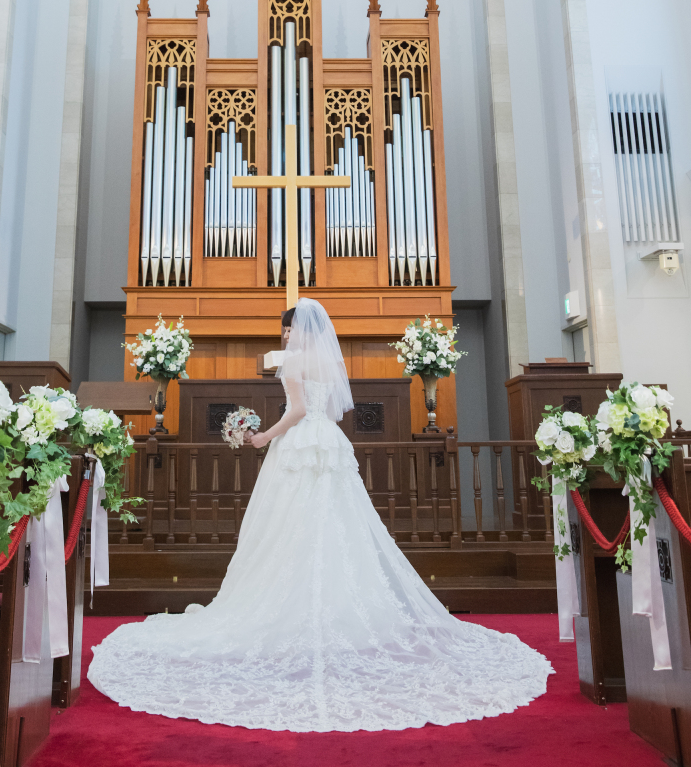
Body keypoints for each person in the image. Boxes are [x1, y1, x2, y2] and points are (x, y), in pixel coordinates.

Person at [88, 298, 552, 732]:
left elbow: (296, 411)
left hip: (298, 444)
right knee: (338, 524)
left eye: (288, 329)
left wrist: (263, 436)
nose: (286, 336)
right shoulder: (330, 361)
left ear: (298, 329)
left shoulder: (292, 362)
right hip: (328, 442)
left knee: (288, 527)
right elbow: (331, 411)